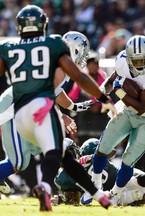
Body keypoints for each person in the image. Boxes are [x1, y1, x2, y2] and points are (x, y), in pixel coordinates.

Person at [0, 5, 116, 211]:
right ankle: (84, 191)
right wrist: (101, 97)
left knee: (29, 158)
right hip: (19, 105)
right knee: (38, 155)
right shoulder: (53, 46)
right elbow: (58, 85)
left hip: (21, 104)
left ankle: (54, 187)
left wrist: (73, 107)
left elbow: (55, 92)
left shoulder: (11, 47)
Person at [83, 35, 145, 206]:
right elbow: (113, 79)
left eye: (142, 60)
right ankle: (94, 185)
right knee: (103, 146)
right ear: (128, 58)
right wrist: (102, 93)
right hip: (127, 111)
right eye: (135, 61)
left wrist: (119, 91)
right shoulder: (122, 60)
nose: (139, 65)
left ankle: (115, 194)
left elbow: (141, 107)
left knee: (129, 159)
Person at [53, 138, 145, 207]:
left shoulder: (64, 176)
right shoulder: (89, 148)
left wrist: (91, 158)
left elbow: (108, 153)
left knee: (140, 191)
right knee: (140, 184)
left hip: (115, 191)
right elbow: (110, 152)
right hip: (119, 186)